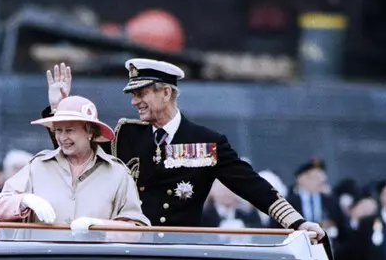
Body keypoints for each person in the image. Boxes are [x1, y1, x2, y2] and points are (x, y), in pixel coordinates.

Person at [44, 61, 325, 238]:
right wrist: (60, 111)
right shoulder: (127, 135)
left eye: (141, 94)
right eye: (133, 96)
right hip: (126, 252)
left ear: (165, 93)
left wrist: (297, 223)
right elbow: (74, 150)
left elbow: (251, 185)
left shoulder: (206, 142)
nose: (134, 102)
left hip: (177, 254)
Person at [0, 95, 150, 233]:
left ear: (90, 132)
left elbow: (136, 229)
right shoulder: (38, 166)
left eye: (69, 130)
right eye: (58, 130)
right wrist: (23, 201)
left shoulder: (117, 172)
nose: (62, 138)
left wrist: (102, 227)